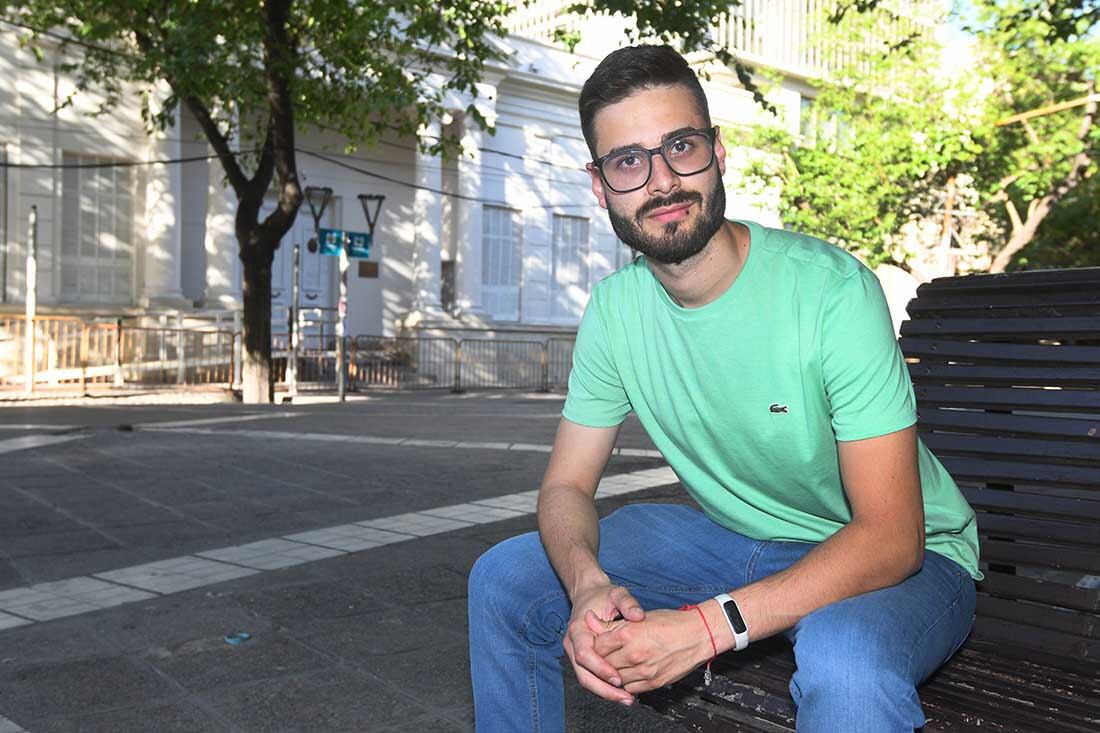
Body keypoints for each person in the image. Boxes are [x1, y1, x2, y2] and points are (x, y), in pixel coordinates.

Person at [467, 44, 981, 733]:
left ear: (718, 150)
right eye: (628, 161)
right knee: (505, 578)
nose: (662, 180)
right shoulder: (616, 311)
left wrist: (707, 627)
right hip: (736, 536)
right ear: (600, 187)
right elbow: (564, 488)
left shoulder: (829, 291)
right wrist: (586, 581)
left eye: (680, 146)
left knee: (845, 656)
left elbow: (893, 537)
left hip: (907, 556)